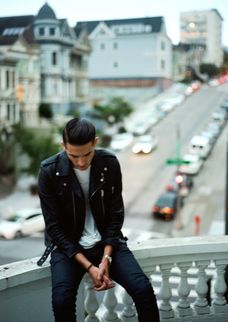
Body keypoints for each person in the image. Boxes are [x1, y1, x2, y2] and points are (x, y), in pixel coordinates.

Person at [38, 117, 160, 322]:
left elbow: (116, 214)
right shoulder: (49, 170)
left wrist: (106, 258)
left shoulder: (109, 163)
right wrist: (90, 267)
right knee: (62, 300)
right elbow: (54, 228)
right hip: (69, 247)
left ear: (95, 142)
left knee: (143, 289)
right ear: (63, 146)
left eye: (87, 154)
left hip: (107, 242)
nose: (81, 162)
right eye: (73, 156)